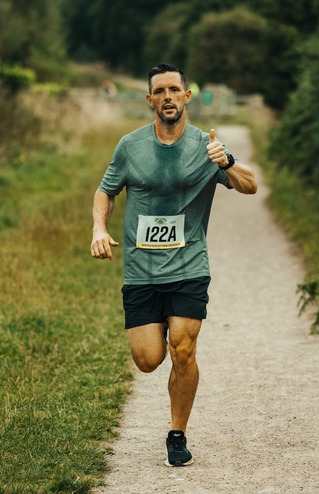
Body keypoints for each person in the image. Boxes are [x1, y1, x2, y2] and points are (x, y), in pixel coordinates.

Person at [90, 63, 258, 467]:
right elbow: (105, 190)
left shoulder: (208, 146)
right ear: (150, 100)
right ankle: (158, 343)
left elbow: (250, 185)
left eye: (174, 90)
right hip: (141, 271)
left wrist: (227, 161)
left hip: (189, 266)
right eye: (159, 91)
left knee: (183, 349)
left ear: (187, 97)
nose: (167, 96)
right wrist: (98, 227)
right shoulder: (130, 146)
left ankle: (177, 434)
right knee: (149, 360)